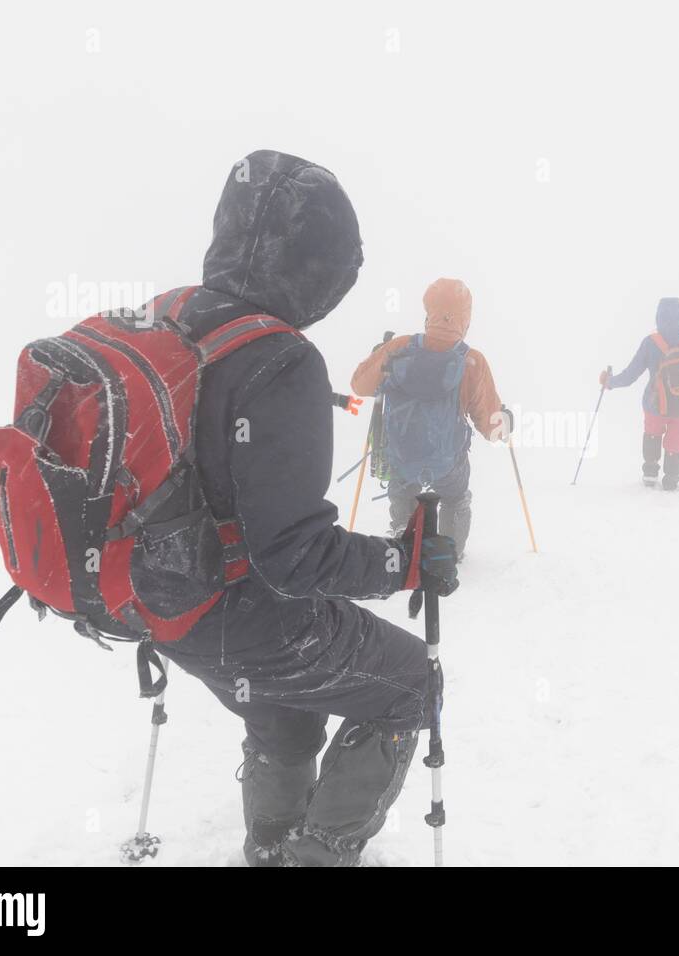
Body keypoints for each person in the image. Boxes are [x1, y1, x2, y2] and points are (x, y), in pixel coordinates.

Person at [150, 151, 459, 867]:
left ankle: (269, 845)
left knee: (281, 701)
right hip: (237, 611)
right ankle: (316, 854)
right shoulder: (278, 357)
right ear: (321, 268)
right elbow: (293, 557)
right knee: (410, 682)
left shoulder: (169, 319)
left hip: (158, 604)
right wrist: (404, 561)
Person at [351, 278, 506, 560]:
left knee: (402, 486)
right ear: (466, 319)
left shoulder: (398, 347)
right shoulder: (471, 360)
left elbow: (359, 386)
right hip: (448, 461)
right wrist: (505, 422)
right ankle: (450, 553)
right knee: (456, 496)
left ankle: (404, 540)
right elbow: (491, 427)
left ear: (428, 311)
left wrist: (377, 357)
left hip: (401, 453)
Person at [600, 297, 679, 490]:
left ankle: (650, 475)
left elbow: (629, 376)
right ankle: (671, 480)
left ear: (658, 317)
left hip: (654, 404)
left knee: (652, 434)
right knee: (676, 441)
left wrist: (609, 382)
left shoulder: (651, 342)